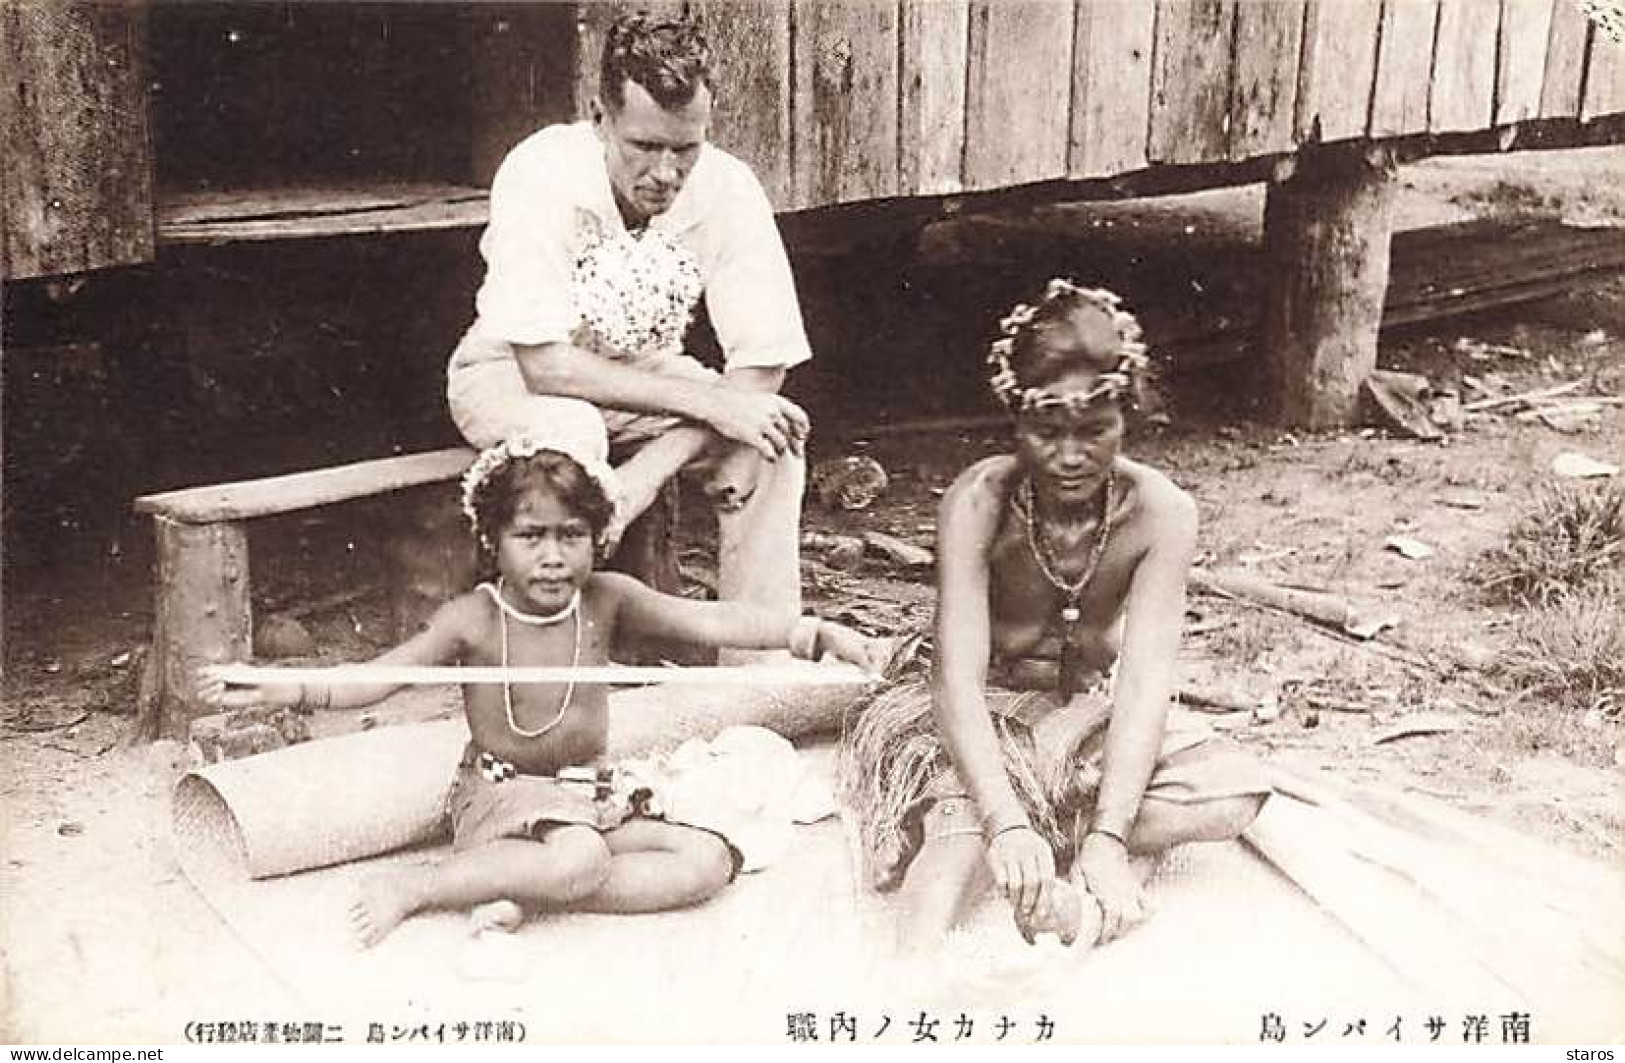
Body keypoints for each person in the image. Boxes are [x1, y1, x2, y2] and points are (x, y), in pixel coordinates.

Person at [199, 437, 881, 949]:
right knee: (580, 856)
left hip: (588, 790)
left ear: (596, 540)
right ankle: (425, 883)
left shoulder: (606, 598)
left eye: (571, 536)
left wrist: (809, 631)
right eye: (530, 536)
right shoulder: (475, 614)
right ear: (493, 543)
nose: (552, 555)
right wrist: (284, 685)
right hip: (502, 794)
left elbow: (712, 619)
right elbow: (382, 674)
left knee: (705, 861)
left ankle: (523, 886)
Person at [841, 279, 1271, 953]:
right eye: (1045, 432)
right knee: (957, 853)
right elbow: (954, 681)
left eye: (1093, 431)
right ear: (1014, 423)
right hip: (981, 707)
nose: (1069, 457)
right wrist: (1003, 818)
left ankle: (1045, 834)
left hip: (1079, 714)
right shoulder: (978, 501)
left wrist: (1109, 835)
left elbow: (1143, 680)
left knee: (1230, 795)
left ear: (1127, 418)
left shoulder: (1161, 512)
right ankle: (905, 993)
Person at [445, 11, 813, 657]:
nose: (666, 173)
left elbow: (760, 369)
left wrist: (645, 476)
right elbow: (546, 367)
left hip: (646, 377)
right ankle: (549, 667)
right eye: (644, 147)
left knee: (771, 438)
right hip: (507, 371)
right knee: (574, 436)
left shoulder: (727, 187)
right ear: (600, 118)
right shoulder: (543, 171)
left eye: (685, 149)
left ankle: (759, 668)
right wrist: (710, 402)